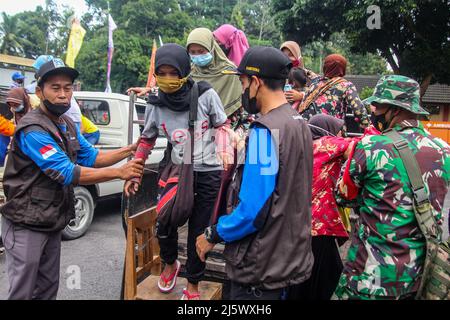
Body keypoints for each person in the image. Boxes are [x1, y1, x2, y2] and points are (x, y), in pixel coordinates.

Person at [0, 58, 144, 300]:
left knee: (47, 289)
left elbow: (91, 156)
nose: (63, 94)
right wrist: (120, 172)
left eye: (68, 88)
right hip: (25, 222)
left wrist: (130, 149)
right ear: (39, 91)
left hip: (51, 219)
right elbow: (67, 172)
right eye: (55, 88)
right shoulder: (33, 130)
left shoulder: (66, 123)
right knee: (23, 292)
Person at [196, 46, 314, 300]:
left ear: (256, 82)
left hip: (260, 273)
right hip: (288, 263)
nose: (242, 91)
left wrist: (213, 234)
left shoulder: (264, 131)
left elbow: (252, 211)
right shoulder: (299, 123)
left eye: (242, 82)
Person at [125, 44, 231, 300]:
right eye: (162, 72)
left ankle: (193, 284)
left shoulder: (205, 94)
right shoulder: (155, 101)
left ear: (184, 71)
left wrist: (225, 147)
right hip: (174, 166)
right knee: (165, 220)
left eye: (174, 72)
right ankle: (171, 263)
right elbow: (147, 139)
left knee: (199, 229)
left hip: (207, 171)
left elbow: (223, 124)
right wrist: (135, 171)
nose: (169, 79)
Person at [333, 75, 450, 300]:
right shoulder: (444, 150)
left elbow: (343, 195)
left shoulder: (371, 146)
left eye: (378, 106)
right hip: (418, 280)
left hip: (370, 278)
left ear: (394, 110)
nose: (374, 111)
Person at [287, 114, 353, 300]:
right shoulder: (325, 144)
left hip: (299, 223)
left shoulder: (302, 146)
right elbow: (359, 146)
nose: (342, 133)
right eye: (339, 129)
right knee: (326, 277)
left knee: (305, 277)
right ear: (326, 129)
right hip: (318, 224)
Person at [299, 54, 370, 130]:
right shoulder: (346, 86)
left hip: (307, 130)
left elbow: (303, 105)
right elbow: (359, 109)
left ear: (325, 67)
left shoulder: (315, 84)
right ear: (343, 68)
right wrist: (366, 125)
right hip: (331, 132)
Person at [186, 28, 243, 120]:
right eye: (192, 52)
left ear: (212, 48)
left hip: (226, 126)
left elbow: (238, 107)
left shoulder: (230, 73)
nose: (197, 56)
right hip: (195, 126)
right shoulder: (189, 73)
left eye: (201, 51)